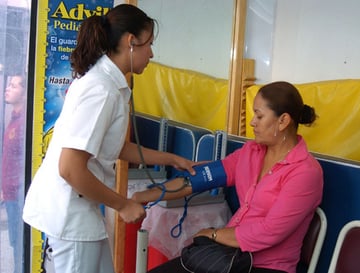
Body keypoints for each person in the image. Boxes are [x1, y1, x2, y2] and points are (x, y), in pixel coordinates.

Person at [23, 4, 196, 273]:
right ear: (130, 42)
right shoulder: (101, 90)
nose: (151, 53)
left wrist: (173, 158)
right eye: (149, 44)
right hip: (72, 218)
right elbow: (69, 167)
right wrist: (123, 204)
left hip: (81, 214)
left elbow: (117, 147)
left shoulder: (107, 84)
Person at [132, 81, 324, 273]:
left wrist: (214, 235)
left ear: (283, 121)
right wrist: (143, 196)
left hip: (265, 266)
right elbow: (198, 179)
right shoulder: (251, 152)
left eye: (259, 115)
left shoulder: (305, 172)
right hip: (225, 257)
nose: (252, 122)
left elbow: (270, 231)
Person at [1, 74, 27, 273]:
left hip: (19, 196)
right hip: (10, 195)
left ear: (25, 92)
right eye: (8, 84)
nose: (7, 89)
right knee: (15, 244)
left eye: (13, 85)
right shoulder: (14, 118)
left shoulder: (23, 124)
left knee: (20, 245)